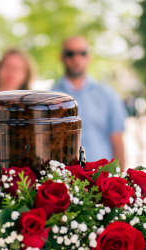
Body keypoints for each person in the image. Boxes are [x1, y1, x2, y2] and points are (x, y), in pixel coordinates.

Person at [51, 36, 127, 166]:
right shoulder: (50, 98)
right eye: (70, 54)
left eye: (82, 53)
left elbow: (117, 141)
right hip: (64, 178)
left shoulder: (108, 94)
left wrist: (120, 178)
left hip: (102, 177)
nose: (76, 59)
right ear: (62, 57)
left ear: (89, 57)